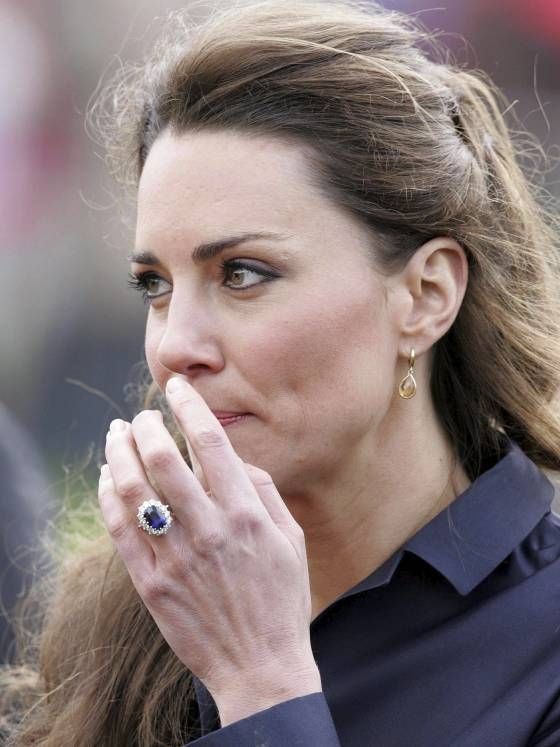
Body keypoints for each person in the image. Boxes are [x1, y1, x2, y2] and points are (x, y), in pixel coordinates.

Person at [2, 0, 560, 744]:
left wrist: (261, 681)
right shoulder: (131, 609)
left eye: (242, 273)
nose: (175, 346)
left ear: (426, 296)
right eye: (155, 285)